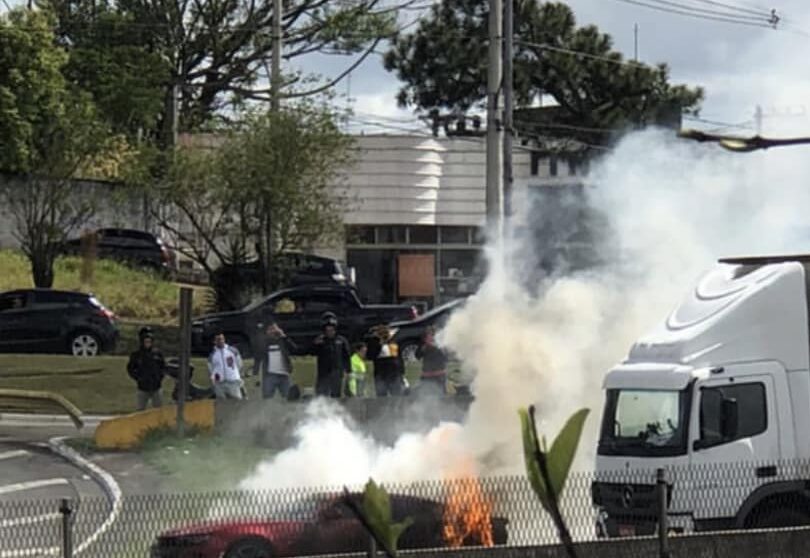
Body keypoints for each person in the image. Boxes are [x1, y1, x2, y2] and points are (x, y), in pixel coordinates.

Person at [310, 313, 350, 398]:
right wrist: (315, 344)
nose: (330, 332)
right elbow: (311, 352)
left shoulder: (341, 340)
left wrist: (348, 371)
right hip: (323, 373)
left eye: (331, 330)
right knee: (321, 396)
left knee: (336, 396)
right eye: (327, 330)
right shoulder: (320, 340)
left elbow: (346, 357)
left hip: (337, 373)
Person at [127, 327, 166, 410]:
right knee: (140, 410)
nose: (148, 344)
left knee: (159, 410)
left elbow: (163, 367)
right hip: (142, 387)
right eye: (146, 342)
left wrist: (159, 377)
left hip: (156, 386)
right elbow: (130, 369)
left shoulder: (157, 354)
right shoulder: (136, 355)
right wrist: (138, 377)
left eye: (149, 342)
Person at [256, 322, 298, 399]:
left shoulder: (283, 341)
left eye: (274, 328)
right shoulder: (264, 342)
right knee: (267, 399)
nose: (273, 331)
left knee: (288, 398)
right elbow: (259, 349)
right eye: (270, 329)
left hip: (284, 375)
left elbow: (294, 349)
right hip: (270, 375)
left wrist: (283, 335)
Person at [367, 325, 404, 397]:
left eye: (386, 333)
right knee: (381, 395)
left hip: (395, 373)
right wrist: (379, 344)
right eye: (381, 334)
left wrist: (402, 370)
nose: (385, 336)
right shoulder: (373, 342)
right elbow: (370, 356)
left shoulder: (394, 341)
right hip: (381, 373)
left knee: (397, 395)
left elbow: (399, 356)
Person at [208, 332, 244, 400]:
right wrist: (215, 381)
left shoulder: (233, 351)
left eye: (222, 339)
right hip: (219, 384)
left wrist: (234, 375)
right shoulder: (212, 355)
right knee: (221, 405)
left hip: (233, 382)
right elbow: (211, 370)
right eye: (218, 339)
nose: (221, 341)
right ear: (214, 341)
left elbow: (239, 364)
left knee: (237, 403)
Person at [416, 326, 449, 396]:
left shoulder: (441, 346)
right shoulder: (424, 347)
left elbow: (446, 358)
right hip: (426, 377)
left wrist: (437, 347)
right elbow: (417, 355)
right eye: (428, 336)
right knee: (423, 397)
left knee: (441, 398)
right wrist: (423, 348)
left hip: (439, 377)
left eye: (431, 335)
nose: (430, 338)